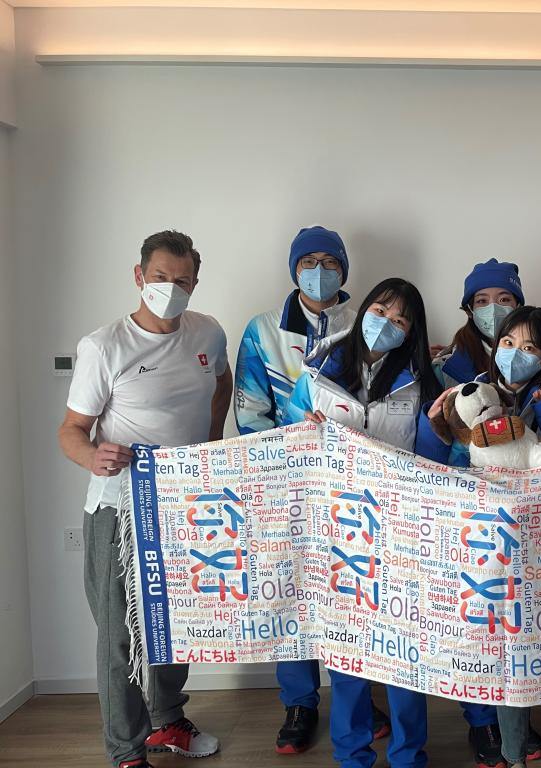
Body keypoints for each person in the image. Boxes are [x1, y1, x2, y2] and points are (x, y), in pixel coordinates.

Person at [57, 231, 231, 768]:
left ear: (195, 283)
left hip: (183, 506)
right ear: (139, 276)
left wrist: (209, 443)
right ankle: (126, 752)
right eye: (160, 278)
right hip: (121, 511)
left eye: (182, 280)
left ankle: (167, 720)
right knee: (120, 637)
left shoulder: (207, 331)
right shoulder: (104, 346)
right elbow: (70, 431)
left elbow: (221, 384)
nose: (170, 288)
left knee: (175, 625)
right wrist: (93, 456)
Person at [417, 305, 541, 768]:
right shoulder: (471, 395)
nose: (516, 353)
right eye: (508, 342)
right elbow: (442, 475)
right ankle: (513, 753)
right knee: (507, 655)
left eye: (531, 346)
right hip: (497, 552)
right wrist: (435, 429)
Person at [284, 277, 441, 768]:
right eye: (380, 311)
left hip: (400, 531)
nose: (387, 323)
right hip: (337, 532)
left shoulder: (421, 381)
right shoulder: (316, 372)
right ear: (363, 310)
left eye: (401, 319)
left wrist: (438, 430)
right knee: (347, 652)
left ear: (412, 331)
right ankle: (352, 755)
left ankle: (409, 756)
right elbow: (288, 442)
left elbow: (434, 460)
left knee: (404, 655)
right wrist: (302, 430)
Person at [234, 224, 376, 754]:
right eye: (308, 261)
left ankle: (358, 703)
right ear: (293, 269)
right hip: (285, 485)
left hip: (350, 488)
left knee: (350, 594)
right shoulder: (263, 330)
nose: (319, 270)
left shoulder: (366, 324)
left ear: (344, 268)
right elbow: (250, 410)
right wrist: (288, 457)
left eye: (330, 261)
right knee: (290, 591)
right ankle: (299, 703)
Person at [433, 258, 525, 390]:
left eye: (504, 299)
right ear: (469, 311)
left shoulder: (538, 358)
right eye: (482, 301)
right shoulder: (447, 367)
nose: (494, 309)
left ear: (518, 307)